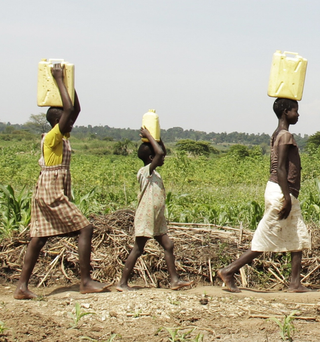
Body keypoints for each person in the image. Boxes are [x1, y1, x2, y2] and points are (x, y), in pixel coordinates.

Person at [15, 63, 110, 299]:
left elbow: (74, 109)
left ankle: (21, 288)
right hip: (51, 191)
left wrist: (70, 82)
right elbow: (68, 109)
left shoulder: (62, 134)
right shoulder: (52, 137)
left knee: (39, 238)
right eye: (67, 122)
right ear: (58, 123)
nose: (72, 125)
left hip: (49, 189)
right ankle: (85, 281)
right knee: (85, 228)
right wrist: (58, 80)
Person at [218, 98, 312, 293]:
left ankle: (295, 283)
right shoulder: (285, 136)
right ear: (286, 111)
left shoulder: (277, 134)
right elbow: (280, 169)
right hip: (281, 191)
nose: (298, 114)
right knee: (265, 238)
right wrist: (286, 198)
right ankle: (229, 271)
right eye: (295, 110)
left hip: (282, 191)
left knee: (297, 234)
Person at [116, 129, 193, 291]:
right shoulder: (145, 172)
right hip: (146, 216)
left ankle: (174, 281)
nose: (163, 157)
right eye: (160, 157)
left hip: (156, 217)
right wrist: (150, 137)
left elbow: (160, 151)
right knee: (138, 249)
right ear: (152, 159)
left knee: (168, 246)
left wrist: (158, 137)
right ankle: (122, 283)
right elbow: (159, 153)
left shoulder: (154, 172)